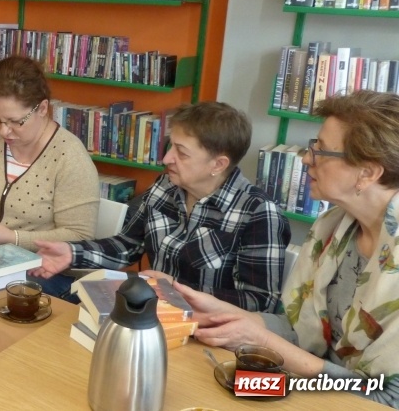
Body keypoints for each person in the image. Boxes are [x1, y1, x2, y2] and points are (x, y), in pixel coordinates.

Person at [174, 91, 399, 408]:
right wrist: (217, 310)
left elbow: (387, 397)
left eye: (320, 150)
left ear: (367, 173)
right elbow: (298, 330)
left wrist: (262, 340)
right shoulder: (332, 229)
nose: (307, 158)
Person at [31, 101, 290, 312]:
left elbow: (259, 302)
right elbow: (128, 245)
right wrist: (73, 253)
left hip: (206, 330)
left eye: (182, 152)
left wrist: (176, 290)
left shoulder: (258, 213)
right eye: (170, 146)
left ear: (218, 165)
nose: (166, 159)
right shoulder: (165, 186)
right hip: (148, 311)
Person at [0, 55, 99, 251]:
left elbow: (79, 236)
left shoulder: (69, 156)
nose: (3, 131)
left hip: (43, 268)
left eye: (15, 121)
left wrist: (13, 238)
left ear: (42, 108)